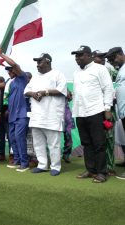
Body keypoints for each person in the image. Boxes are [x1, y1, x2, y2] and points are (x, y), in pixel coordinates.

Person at [71, 45, 114, 183]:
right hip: (80, 112)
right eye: (76, 55)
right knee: (86, 143)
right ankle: (91, 170)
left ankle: (102, 172)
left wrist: (107, 109)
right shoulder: (76, 72)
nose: (77, 58)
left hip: (96, 111)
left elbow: (108, 89)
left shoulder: (100, 69)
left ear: (89, 55)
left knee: (99, 143)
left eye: (80, 55)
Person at [24, 53, 67, 176]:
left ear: (48, 62)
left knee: (53, 144)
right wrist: (33, 94)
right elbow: (26, 91)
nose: (37, 65)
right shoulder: (35, 77)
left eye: (40, 62)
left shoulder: (58, 74)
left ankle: (55, 166)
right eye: (37, 62)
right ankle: (42, 165)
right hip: (37, 116)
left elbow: (62, 90)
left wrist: (45, 92)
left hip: (52, 116)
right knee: (38, 143)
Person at [0, 48, 30, 172]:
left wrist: (1, 55)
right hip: (12, 115)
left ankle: (24, 162)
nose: (9, 72)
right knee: (12, 138)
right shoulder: (10, 82)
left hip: (22, 114)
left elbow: (14, 64)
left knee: (19, 137)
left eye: (10, 70)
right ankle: (17, 159)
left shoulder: (23, 78)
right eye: (8, 70)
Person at [92, 50, 116, 176]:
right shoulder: (89, 72)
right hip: (94, 112)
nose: (103, 59)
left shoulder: (110, 71)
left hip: (108, 112)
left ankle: (110, 167)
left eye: (104, 57)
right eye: (99, 57)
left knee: (109, 139)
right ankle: (97, 167)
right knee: (96, 141)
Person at [105, 47, 125, 180]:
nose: (112, 62)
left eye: (113, 59)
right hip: (122, 110)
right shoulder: (120, 70)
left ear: (120, 54)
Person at [61, 89, 75, 163]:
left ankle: (66, 154)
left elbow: (70, 98)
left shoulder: (65, 87)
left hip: (66, 114)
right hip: (53, 113)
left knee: (68, 135)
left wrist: (69, 94)